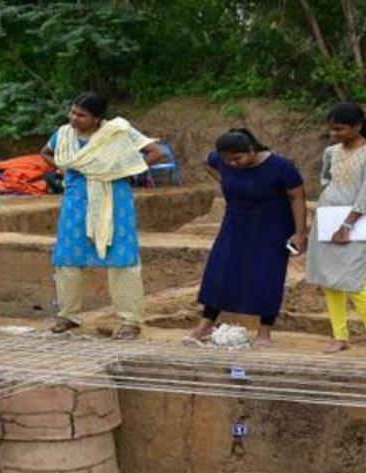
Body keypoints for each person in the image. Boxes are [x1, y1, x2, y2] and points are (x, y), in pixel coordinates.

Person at [41, 92, 165, 340]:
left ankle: (130, 320)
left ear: (97, 119)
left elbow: (155, 152)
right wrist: (65, 168)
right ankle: (68, 316)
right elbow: (45, 152)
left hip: (114, 200)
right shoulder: (64, 134)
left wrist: (125, 169)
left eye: (81, 115)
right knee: (68, 258)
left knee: (122, 258)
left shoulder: (117, 132)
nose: (74, 118)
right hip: (76, 201)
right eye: (73, 112)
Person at [185, 129, 307, 348]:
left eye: (238, 158)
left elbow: (297, 198)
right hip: (235, 223)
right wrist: (226, 181)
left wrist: (299, 233)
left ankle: (264, 331)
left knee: (266, 276)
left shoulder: (281, 167)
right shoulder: (222, 161)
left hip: (272, 226)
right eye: (228, 160)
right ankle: (206, 323)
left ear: (252, 150)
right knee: (220, 271)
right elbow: (206, 161)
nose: (233, 164)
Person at [306, 102, 366, 358]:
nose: (335, 134)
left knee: (354, 282)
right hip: (328, 220)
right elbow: (326, 180)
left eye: (340, 129)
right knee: (330, 282)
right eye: (332, 130)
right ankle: (339, 336)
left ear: (357, 126)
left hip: (357, 222)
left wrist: (347, 223)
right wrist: (333, 203)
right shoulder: (331, 151)